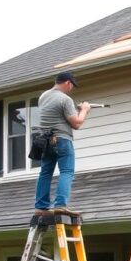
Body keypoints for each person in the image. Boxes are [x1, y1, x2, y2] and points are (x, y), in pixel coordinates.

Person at [34, 71, 91, 216]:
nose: (71, 89)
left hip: (45, 140)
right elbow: (77, 123)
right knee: (67, 171)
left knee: (45, 173)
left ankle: (41, 207)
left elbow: (56, 115)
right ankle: (60, 205)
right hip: (62, 140)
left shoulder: (43, 96)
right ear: (67, 83)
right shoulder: (65, 100)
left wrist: (74, 110)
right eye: (72, 86)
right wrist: (84, 110)